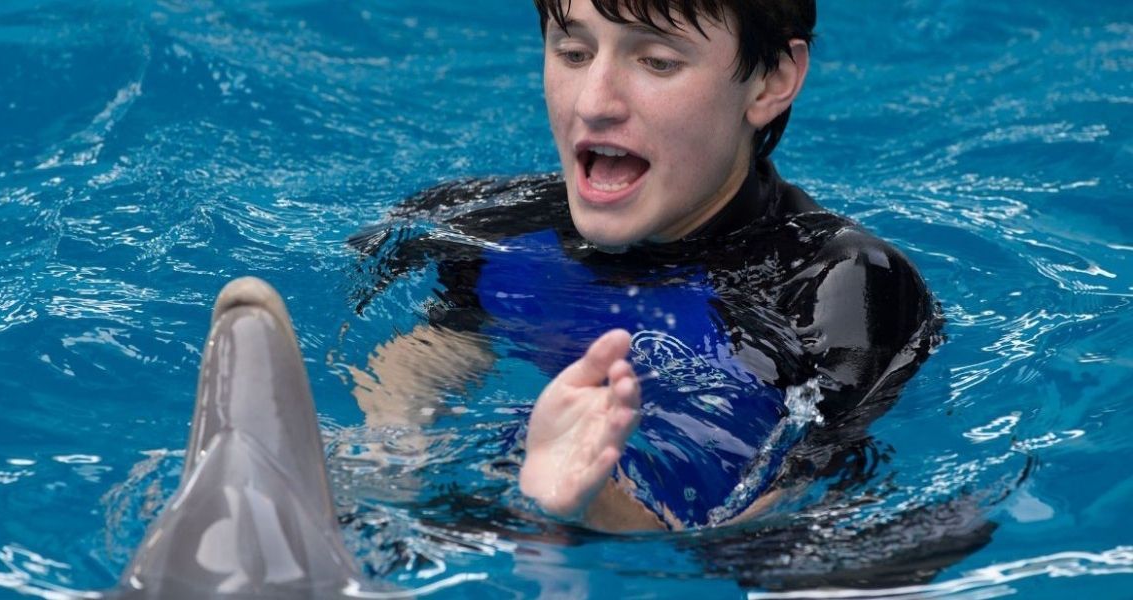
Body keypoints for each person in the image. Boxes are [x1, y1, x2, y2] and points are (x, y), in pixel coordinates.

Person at [350, 0, 939, 532]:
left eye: (656, 61)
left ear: (771, 80)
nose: (593, 102)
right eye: (573, 52)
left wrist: (586, 503)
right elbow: (424, 371)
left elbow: (783, 523)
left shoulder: (840, 286)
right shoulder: (484, 231)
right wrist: (383, 472)